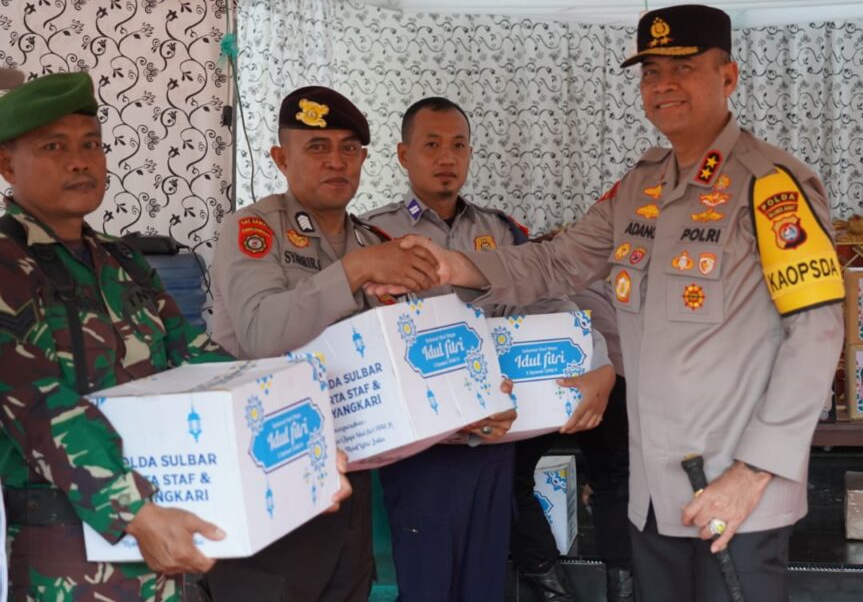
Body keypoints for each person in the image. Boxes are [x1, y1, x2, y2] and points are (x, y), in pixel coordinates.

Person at [389, 4, 846, 601]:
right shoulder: (640, 185)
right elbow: (557, 262)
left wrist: (754, 471)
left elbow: (817, 334)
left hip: (735, 491)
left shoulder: (770, 184)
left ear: (728, 76)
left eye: (683, 67)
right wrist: (454, 266)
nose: (664, 85)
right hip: (653, 491)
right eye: (651, 72)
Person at [361, 97, 614, 602]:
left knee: (484, 583)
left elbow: (550, 301)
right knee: (429, 585)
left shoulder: (498, 231)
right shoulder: (374, 235)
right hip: (425, 449)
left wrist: (599, 362)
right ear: (403, 154)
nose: (447, 157)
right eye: (432, 145)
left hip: (496, 438)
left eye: (458, 145)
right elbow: (373, 341)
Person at [0, 72, 231, 599]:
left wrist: (290, 425)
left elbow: (194, 357)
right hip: (66, 560)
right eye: (54, 147)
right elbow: (38, 406)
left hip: (163, 535)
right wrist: (135, 510)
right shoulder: (8, 265)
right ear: (8, 166)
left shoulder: (123, 260)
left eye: (91, 145)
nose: (80, 161)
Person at [206, 86, 440, 602]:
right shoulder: (254, 230)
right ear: (280, 158)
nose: (337, 161)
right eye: (317, 147)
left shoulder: (374, 243)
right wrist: (354, 272)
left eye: (349, 148)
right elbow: (263, 334)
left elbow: (406, 350)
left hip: (349, 476)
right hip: (271, 467)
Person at [509, 276, 634, 602]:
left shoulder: (531, 269)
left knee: (509, 479)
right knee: (615, 477)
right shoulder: (605, 273)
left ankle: (553, 590)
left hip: (539, 371)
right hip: (604, 370)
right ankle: (622, 589)